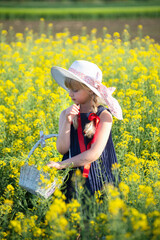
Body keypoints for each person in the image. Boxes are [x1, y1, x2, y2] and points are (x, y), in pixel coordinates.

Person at [47, 60, 123, 200]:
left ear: (89, 90)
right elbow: (62, 149)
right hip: (72, 175)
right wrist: (67, 121)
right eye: (69, 89)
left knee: (96, 214)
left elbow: (94, 153)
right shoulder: (66, 113)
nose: (70, 94)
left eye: (75, 90)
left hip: (99, 176)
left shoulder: (104, 116)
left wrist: (60, 165)